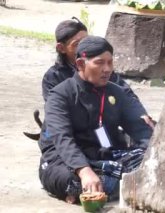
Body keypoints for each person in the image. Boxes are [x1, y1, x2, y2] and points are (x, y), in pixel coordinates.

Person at [38, 36, 153, 204]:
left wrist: (156, 148)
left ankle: (116, 181)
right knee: (74, 183)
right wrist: (84, 171)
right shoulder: (60, 96)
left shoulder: (116, 92)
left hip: (105, 153)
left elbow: (141, 130)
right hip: (63, 159)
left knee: (149, 162)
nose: (107, 69)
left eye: (110, 63)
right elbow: (63, 140)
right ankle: (110, 183)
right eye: (99, 63)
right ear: (80, 64)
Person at [42, 17, 154, 127]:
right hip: (73, 129)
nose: (84, 47)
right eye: (77, 44)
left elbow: (126, 93)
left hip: (101, 123)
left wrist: (139, 114)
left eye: (86, 41)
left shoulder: (101, 68)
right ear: (61, 48)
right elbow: (56, 110)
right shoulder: (53, 76)